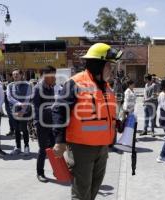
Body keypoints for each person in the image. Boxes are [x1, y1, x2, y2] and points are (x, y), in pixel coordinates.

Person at [52, 43, 122, 200]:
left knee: (93, 190)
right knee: (81, 192)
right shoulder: (76, 82)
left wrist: (117, 123)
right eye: (108, 66)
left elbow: (103, 114)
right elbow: (59, 110)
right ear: (98, 65)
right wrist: (59, 141)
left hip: (102, 148)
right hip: (81, 148)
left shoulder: (107, 87)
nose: (111, 70)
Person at [33, 66, 61, 182]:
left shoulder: (50, 87)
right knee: (43, 149)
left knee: (54, 148)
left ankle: (57, 170)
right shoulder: (37, 88)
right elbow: (37, 107)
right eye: (52, 75)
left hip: (51, 123)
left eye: (54, 75)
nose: (54, 77)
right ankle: (40, 173)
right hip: (42, 123)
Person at [7, 68, 32, 156]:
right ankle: (18, 147)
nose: (15, 76)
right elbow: (9, 98)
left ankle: (26, 147)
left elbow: (27, 98)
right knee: (16, 130)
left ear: (21, 75)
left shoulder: (27, 85)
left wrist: (22, 111)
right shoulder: (9, 85)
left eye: (17, 74)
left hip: (24, 112)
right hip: (14, 112)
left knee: (24, 130)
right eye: (14, 74)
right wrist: (19, 104)